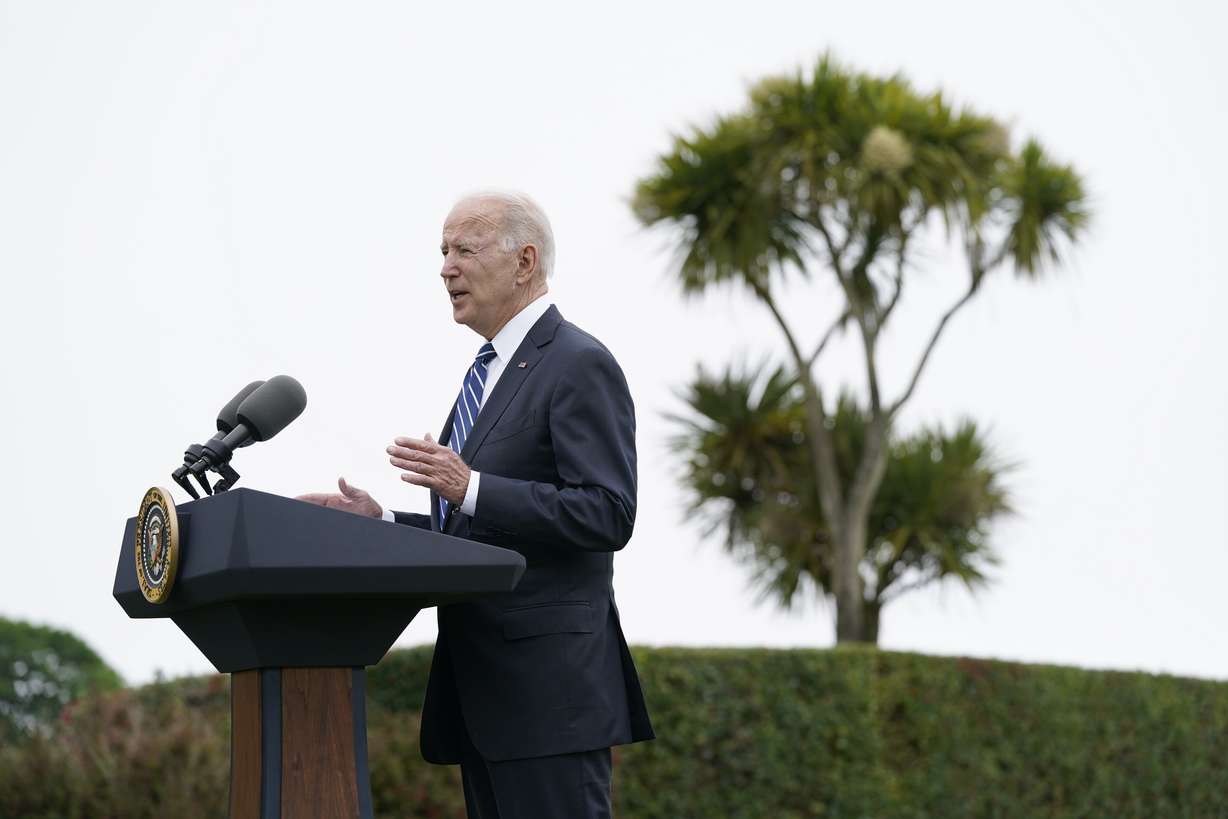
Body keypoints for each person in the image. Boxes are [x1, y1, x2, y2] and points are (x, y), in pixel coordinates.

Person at [297, 190, 654, 818]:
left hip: (549, 697)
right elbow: (480, 532)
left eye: (465, 249)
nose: (445, 267)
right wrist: (382, 525)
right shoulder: (482, 374)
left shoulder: (578, 363)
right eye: (442, 252)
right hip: (484, 696)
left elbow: (607, 512)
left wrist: (471, 487)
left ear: (525, 261)